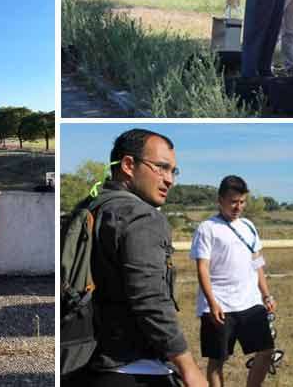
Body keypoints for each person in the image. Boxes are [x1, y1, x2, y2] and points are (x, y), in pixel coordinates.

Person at [64, 128, 207, 387]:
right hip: (134, 369)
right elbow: (150, 299)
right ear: (129, 165)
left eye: (173, 171)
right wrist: (188, 367)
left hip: (82, 364)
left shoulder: (90, 207)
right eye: (161, 167)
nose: (170, 179)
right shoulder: (141, 216)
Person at [191, 175, 276, 387]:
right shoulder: (207, 228)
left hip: (250, 303)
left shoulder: (248, 226)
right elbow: (202, 268)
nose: (238, 207)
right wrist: (212, 303)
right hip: (220, 306)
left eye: (242, 202)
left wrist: (266, 295)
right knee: (218, 359)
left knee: (266, 351)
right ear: (220, 200)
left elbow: (257, 263)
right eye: (233, 202)